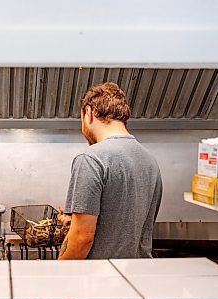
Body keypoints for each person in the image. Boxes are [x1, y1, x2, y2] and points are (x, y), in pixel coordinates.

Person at [57, 82, 162, 260]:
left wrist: (60, 274)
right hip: (136, 276)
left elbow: (82, 239)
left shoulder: (91, 159)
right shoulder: (150, 161)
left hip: (100, 280)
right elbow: (125, 223)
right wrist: (75, 222)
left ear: (89, 113)